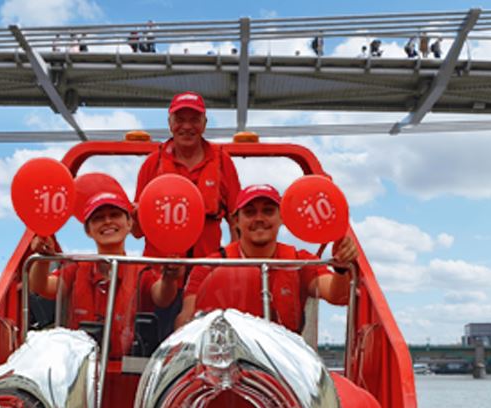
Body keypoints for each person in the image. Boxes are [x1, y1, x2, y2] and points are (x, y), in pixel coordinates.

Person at [179, 183, 358, 336]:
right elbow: (184, 323)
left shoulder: (299, 261)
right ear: (235, 221)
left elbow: (337, 296)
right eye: (250, 212)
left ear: (282, 217)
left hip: (283, 363)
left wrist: (341, 268)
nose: (259, 219)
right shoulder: (209, 266)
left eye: (268, 211)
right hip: (225, 361)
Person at [25, 190, 179, 358]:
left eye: (114, 215)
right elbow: (42, 286)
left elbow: (162, 297)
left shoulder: (142, 270)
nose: (107, 221)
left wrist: (169, 277)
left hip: (127, 370)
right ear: (88, 231)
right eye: (98, 218)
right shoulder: (76, 268)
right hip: (81, 368)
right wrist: (43, 258)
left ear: (129, 224)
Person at [134, 92, 242, 263]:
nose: (186, 126)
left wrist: (237, 267)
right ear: (170, 123)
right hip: (159, 270)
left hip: (207, 269)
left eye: (194, 120)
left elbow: (237, 221)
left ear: (205, 123)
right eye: (180, 120)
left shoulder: (223, 162)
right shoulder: (152, 163)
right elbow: (136, 230)